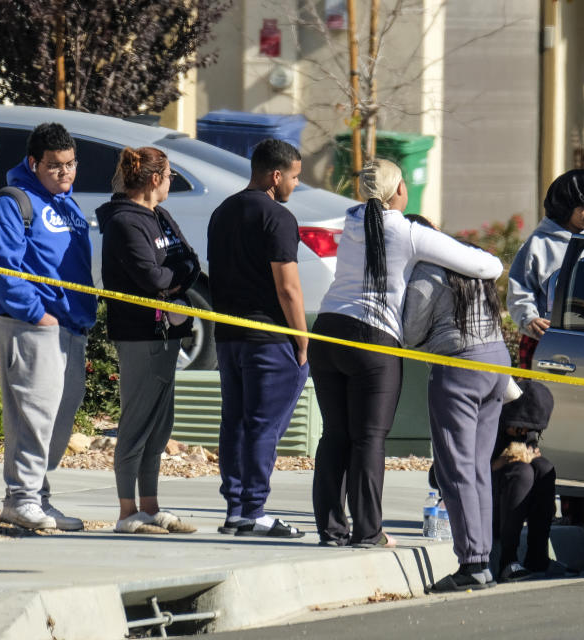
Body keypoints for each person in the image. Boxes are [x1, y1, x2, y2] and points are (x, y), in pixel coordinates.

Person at [310, 159, 503, 548]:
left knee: (335, 434)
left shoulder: (350, 221)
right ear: (400, 190)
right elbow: (488, 265)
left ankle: (331, 530)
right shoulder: (408, 231)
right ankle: (368, 531)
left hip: (328, 331)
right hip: (374, 339)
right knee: (369, 438)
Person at [0, 122, 96, 530]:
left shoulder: (68, 204)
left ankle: (38, 496)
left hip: (70, 327)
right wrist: (36, 313)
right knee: (33, 412)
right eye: (55, 166)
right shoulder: (12, 202)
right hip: (30, 325)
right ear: (33, 162)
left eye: (71, 164)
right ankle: (21, 498)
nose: (65, 173)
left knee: (58, 418)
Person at [506, 169, 584, 537]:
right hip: (550, 347)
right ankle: (540, 505)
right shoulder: (539, 245)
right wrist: (529, 318)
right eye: (583, 206)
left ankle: (578, 509)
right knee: (542, 426)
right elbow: (519, 293)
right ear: (564, 206)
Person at [207, 138, 309, 538]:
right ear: (276, 175)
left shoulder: (222, 212)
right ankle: (253, 509)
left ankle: (237, 508)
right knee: (264, 425)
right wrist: (302, 340)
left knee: (235, 421)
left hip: (228, 335)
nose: (296, 185)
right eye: (296, 177)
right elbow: (289, 289)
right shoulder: (278, 218)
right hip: (267, 338)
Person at [401, 218, 510, 591]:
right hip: (497, 361)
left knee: (456, 468)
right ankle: (484, 560)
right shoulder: (470, 259)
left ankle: (471, 565)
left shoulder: (427, 269)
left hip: (459, 367)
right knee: (479, 467)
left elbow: (410, 332)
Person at [97, 147, 200, 534]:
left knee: (160, 424)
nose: (171, 182)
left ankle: (151, 505)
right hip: (139, 333)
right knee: (136, 422)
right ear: (155, 179)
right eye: (170, 175)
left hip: (168, 332)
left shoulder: (160, 216)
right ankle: (127, 512)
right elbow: (152, 279)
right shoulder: (125, 222)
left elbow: (191, 261)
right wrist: (175, 277)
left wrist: (174, 276)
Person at [491, 379, 558, 582]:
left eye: (529, 431)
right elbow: (440, 475)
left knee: (544, 469)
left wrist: (526, 453)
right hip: (483, 506)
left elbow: (529, 455)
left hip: (510, 504)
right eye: (519, 429)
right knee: (522, 473)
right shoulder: (487, 420)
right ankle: (508, 560)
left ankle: (538, 557)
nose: (523, 434)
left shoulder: (526, 432)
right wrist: (502, 460)